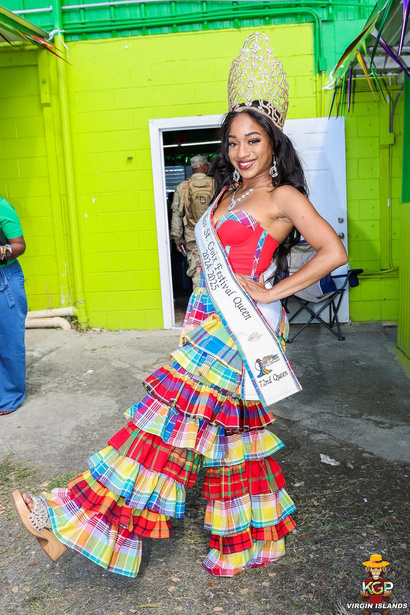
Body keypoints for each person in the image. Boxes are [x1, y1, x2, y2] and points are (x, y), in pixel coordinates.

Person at [13, 32, 347, 578]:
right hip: (207, 322)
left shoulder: (283, 196)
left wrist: (270, 290)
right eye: (234, 142)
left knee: (163, 427)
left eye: (253, 141)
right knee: (225, 436)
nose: (241, 153)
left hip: (242, 331)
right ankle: (246, 540)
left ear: (273, 142)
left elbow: (333, 250)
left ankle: (75, 520)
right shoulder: (223, 192)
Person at [170, 155, 215, 288]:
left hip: (192, 236)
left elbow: (177, 215)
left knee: (197, 270)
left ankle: (200, 304)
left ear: (192, 168)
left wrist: (177, 239)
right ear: (205, 167)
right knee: (217, 269)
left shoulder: (182, 187)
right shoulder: (216, 183)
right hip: (214, 235)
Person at [0, 197, 27, 416]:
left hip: (4, 278)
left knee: (8, 341)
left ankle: (9, 397)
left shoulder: (2, 206)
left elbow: (19, 245)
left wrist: (1, 251)